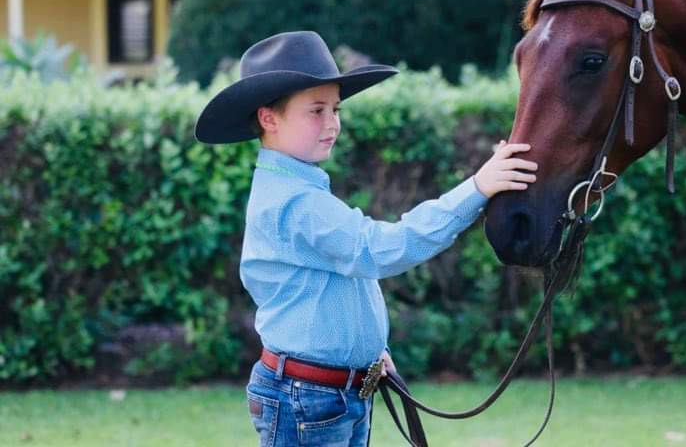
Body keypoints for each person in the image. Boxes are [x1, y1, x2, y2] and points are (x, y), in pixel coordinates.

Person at [194, 31, 537, 446]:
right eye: (316, 110)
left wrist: (366, 351)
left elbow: (337, 281)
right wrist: (477, 188)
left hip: (327, 394)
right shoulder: (295, 202)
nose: (332, 123)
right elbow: (376, 250)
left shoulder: (300, 188)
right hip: (309, 398)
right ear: (269, 119)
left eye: (335, 109)